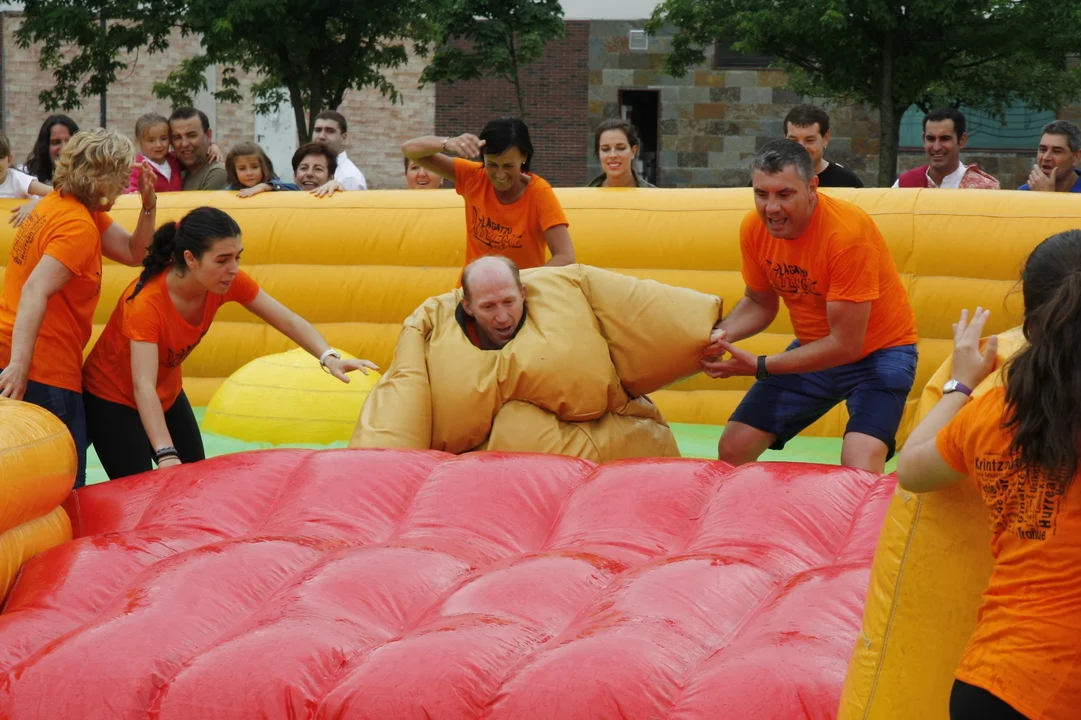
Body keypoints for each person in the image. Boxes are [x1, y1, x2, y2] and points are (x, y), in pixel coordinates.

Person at [897, 231, 1081, 720]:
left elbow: (911, 468)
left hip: (987, 679)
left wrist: (960, 382)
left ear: (1030, 322)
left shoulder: (994, 412)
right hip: (1059, 691)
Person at [81, 207, 378, 480]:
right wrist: (166, 453)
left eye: (237, 257)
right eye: (223, 260)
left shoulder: (223, 282)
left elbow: (286, 319)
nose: (233, 268)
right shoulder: (146, 305)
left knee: (194, 480)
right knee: (141, 487)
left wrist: (328, 356)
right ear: (190, 259)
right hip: (112, 397)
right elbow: (142, 385)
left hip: (165, 392)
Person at [353, 256, 721, 462]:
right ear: (468, 306)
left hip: (607, 437)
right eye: (489, 307)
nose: (502, 317)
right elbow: (403, 398)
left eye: (509, 302)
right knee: (516, 425)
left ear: (524, 293)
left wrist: (705, 333)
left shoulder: (567, 299)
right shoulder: (431, 332)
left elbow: (630, 305)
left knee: (519, 424)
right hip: (495, 469)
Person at [702, 139, 918, 473]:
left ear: (812, 188)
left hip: (879, 353)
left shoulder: (846, 234)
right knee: (733, 448)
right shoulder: (754, 229)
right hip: (816, 347)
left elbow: (846, 345)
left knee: (858, 466)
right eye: (761, 194)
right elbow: (760, 303)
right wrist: (715, 337)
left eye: (784, 194)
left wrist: (760, 365)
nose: (771, 208)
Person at [0, 129, 158, 488]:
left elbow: (134, 253)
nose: (126, 187)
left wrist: (148, 206)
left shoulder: (64, 205)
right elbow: (35, 290)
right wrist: (20, 367)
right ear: (100, 178)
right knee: (65, 483)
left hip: (19, 354)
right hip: (44, 370)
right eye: (122, 178)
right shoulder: (77, 226)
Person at [401, 117, 576, 272]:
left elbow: (566, 257)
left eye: (508, 166)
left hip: (518, 293)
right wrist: (448, 143)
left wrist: (517, 283)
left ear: (524, 157)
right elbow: (409, 150)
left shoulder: (539, 192)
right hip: (474, 291)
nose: (500, 175)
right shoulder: (473, 176)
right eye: (492, 164)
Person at [894, 108, 1000, 189]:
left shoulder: (985, 188)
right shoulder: (905, 184)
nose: (936, 147)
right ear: (923, 139)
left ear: (962, 140)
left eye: (945, 138)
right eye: (930, 139)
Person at [11, 115, 79, 226]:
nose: (64, 148)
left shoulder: (87, 176)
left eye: (69, 141)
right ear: (45, 146)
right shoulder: (23, 174)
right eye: (56, 142)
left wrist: (39, 203)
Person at [782, 105, 863, 188]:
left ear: (826, 138)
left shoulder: (847, 183)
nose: (801, 147)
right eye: (793, 140)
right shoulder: (774, 179)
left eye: (809, 140)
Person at [169, 107, 228, 191]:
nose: (184, 144)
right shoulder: (177, 172)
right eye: (177, 137)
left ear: (208, 135)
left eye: (191, 135)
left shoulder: (217, 173)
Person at [0, 132, 52, 227]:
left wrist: (34, 204)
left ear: (9, 160)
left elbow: (56, 193)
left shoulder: (18, 180)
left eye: (0, 158)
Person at [587, 119, 656, 188]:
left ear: (633, 151)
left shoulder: (654, 194)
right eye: (605, 149)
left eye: (621, 148)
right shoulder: (584, 194)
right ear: (598, 153)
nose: (613, 155)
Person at [1017, 120, 1081, 193]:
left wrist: (1046, 196)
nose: (1046, 157)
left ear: (1076, 157)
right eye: (1043, 150)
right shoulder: (1024, 192)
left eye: (1057, 151)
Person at [312, 110, 367, 190]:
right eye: (318, 130)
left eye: (330, 131)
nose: (321, 136)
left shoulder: (348, 178)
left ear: (344, 138)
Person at [224, 142, 300, 196]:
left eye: (254, 167)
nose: (249, 173)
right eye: (242, 169)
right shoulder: (228, 192)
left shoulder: (274, 185)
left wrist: (266, 186)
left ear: (264, 167)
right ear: (234, 171)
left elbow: (296, 189)